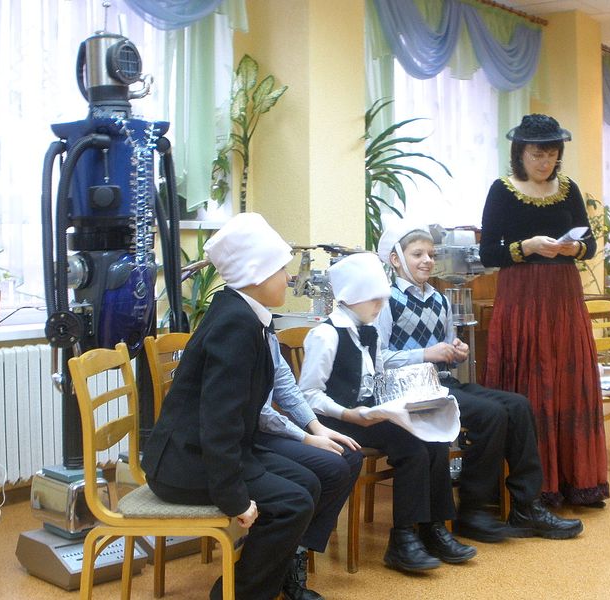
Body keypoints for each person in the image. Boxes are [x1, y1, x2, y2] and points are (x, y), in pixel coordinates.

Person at [141, 213, 343, 600]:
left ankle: (260, 583)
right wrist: (233, 497)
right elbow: (219, 422)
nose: (288, 278)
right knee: (293, 503)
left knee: (309, 483)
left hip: (211, 453)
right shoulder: (235, 325)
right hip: (186, 465)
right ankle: (238, 594)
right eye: (280, 269)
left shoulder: (243, 313)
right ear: (255, 273)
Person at [375, 221, 584, 542]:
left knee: (518, 405)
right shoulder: (385, 301)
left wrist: (456, 351)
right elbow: (378, 359)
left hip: (443, 383)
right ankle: (474, 510)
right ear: (395, 259)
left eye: (431, 254)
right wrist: (425, 354)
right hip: (411, 390)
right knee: (491, 414)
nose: (427, 260)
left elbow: (447, 349)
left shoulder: (440, 299)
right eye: (417, 254)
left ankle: (526, 505)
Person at [299, 252, 477, 573]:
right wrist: (349, 414)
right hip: (334, 420)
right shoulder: (326, 334)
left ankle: (433, 527)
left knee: (433, 438)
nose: (381, 305)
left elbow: (377, 377)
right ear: (352, 296)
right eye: (374, 299)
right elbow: (308, 395)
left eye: (383, 298)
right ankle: (403, 538)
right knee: (411, 448)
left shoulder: (369, 330)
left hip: (368, 413)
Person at [478, 113, 609, 508]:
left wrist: (575, 248)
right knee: (531, 380)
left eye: (551, 154)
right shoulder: (502, 190)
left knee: (568, 379)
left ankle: (574, 479)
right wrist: (528, 247)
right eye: (537, 154)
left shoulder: (569, 189)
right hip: (521, 297)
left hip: (564, 295)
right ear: (520, 153)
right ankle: (530, 486)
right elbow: (489, 253)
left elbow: (590, 244)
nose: (544, 162)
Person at [253, 318, 363, 599]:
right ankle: (281, 551)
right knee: (332, 467)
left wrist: (316, 427)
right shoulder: (241, 327)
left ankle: (296, 549)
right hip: (250, 436)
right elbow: (260, 413)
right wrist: (305, 437)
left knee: (350, 456)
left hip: (269, 429)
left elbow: (285, 384)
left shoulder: (265, 326)